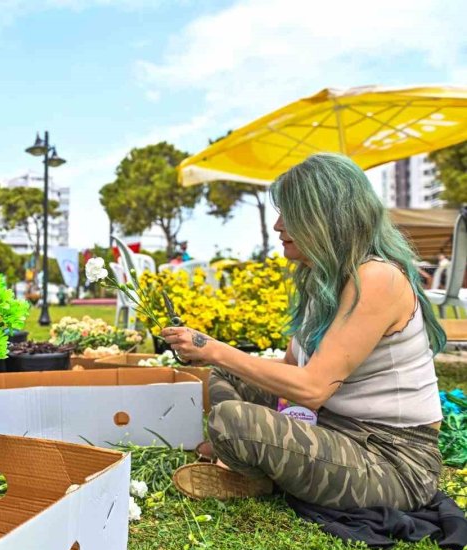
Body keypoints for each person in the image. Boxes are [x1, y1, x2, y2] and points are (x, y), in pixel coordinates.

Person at [165, 153, 446, 511]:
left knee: (230, 419)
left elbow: (312, 388)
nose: (279, 226)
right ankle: (258, 465)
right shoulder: (323, 282)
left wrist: (212, 347)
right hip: (333, 427)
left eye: (291, 215)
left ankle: (252, 468)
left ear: (328, 218)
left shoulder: (378, 278)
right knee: (224, 378)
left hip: (392, 461)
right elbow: (287, 373)